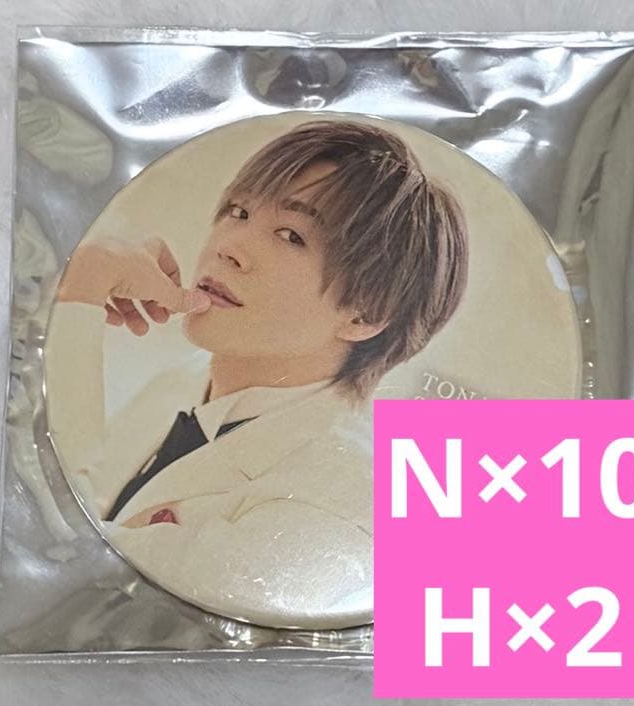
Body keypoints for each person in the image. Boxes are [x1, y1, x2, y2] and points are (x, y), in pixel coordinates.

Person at [44, 118, 469, 628]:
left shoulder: (343, 501)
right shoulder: (181, 383)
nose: (229, 246)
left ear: (365, 315)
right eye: (239, 211)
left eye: (290, 236)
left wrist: (80, 294)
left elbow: (72, 572)